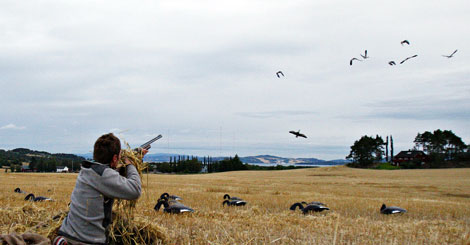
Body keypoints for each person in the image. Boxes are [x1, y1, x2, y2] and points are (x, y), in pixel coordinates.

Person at [54, 133, 146, 245]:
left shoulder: (88, 170)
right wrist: (130, 164)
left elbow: (112, 178)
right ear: (115, 158)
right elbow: (135, 190)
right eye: (119, 156)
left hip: (67, 233)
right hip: (87, 241)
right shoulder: (104, 175)